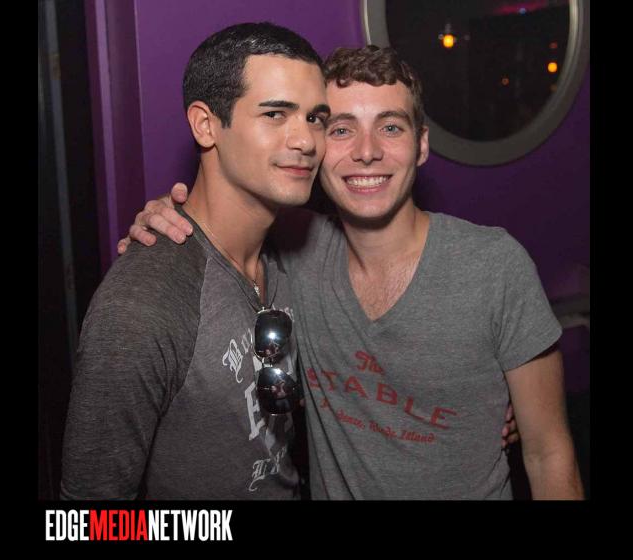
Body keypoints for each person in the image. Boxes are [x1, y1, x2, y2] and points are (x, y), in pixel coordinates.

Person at [122, 44, 584, 499]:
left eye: (390, 127)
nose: (367, 152)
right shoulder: (296, 254)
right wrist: (170, 215)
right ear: (316, 147)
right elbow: (224, 210)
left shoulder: (494, 266)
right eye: (341, 129)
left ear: (421, 144)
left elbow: (549, 455)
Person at [60, 22, 331, 499]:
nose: (306, 141)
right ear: (206, 125)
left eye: (315, 118)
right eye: (275, 114)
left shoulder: (293, 249)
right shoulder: (141, 307)